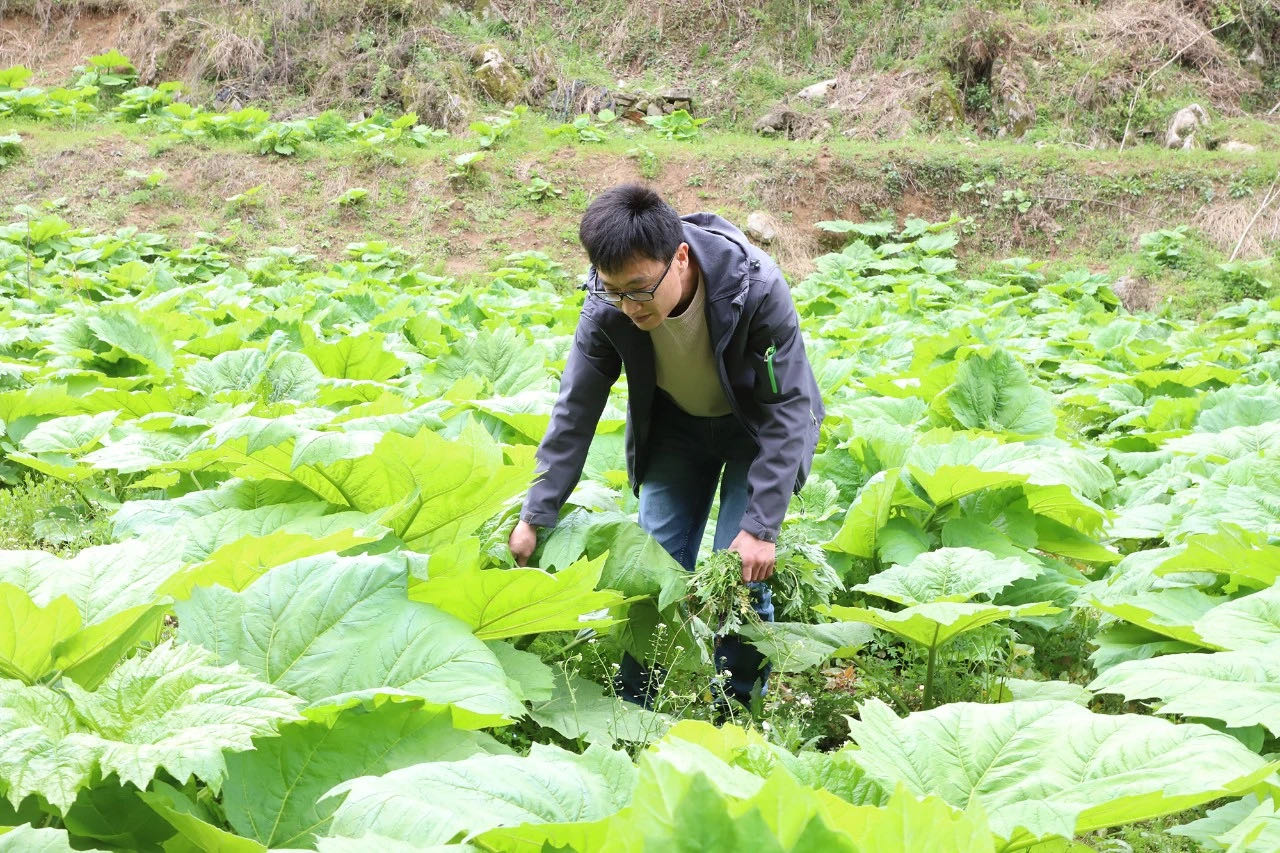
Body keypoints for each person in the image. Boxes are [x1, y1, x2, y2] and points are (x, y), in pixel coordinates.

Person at [508, 183, 824, 709]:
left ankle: (737, 712)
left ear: (679, 258)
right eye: (614, 290)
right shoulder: (606, 307)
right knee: (650, 572)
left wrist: (760, 528)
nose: (628, 306)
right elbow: (575, 408)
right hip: (677, 430)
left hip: (755, 432)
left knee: (739, 573)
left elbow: (789, 405)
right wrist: (536, 514)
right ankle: (634, 713)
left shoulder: (755, 286)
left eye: (638, 289)